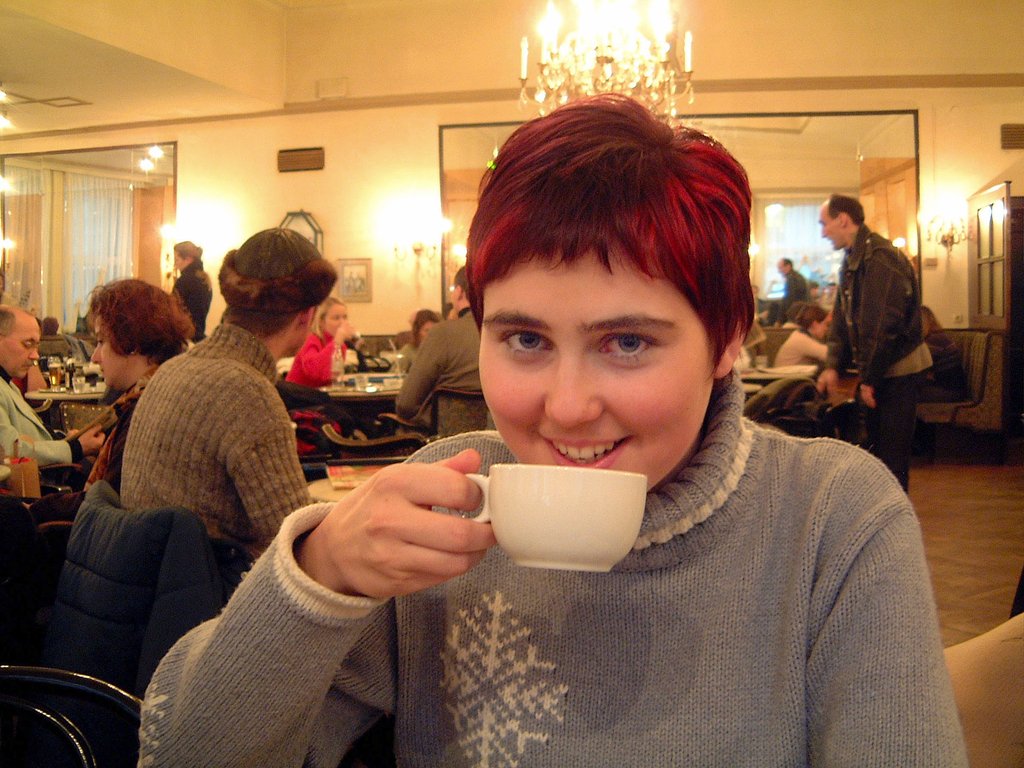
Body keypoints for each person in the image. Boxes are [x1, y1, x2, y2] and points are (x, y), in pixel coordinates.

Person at [139, 96, 965, 766]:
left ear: (726, 338)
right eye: (526, 340)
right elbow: (183, 751)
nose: (566, 407)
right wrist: (319, 575)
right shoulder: (446, 502)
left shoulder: (832, 518)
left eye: (627, 342)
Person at [122, 229, 336, 558]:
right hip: (208, 585)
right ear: (307, 315)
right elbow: (296, 542)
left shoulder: (173, 369)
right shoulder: (247, 393)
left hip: (146, 575)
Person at [29, 280, 193, 523]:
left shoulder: (144, 407)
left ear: (131, 343)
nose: (95, 357)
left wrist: (33, 510)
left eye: (101, 342)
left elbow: (105, 504)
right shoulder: (160, 391)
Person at [816, 193, 932, 491]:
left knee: (891, 459)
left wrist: (869, 380)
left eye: (824, 224)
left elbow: (881, 327)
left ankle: (894, 519)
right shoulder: (853, 257)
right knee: (877, 457)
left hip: (898, 372)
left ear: (843, 220)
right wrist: (832, 365)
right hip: (882, 371)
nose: (823, 233)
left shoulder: (880, 258)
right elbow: (843, 319)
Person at [0, 306, 104, 466]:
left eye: (36, 346)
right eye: (27, 344)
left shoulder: (8, 383)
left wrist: (63, 439)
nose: (35, 355)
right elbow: (7, 449)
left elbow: (31, 435)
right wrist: (74, 448)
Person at [393, 266, 480, 429]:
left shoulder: (442, 333)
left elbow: (406, 405)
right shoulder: (505, 333)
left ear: (459, 292)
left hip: (443, 441)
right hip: (501, 441)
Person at [285, 297, 356, 387]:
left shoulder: (339, 345)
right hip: (297, 394)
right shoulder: (310, 340)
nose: (342, 322)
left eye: (345, 317)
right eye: (336, 318)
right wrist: (337, 342)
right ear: (321, 322)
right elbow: (314, 372)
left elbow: (333, 375)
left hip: (317, 393)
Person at [919, 305, 968, 402]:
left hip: (950, 393)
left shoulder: (935, 339)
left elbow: (919, 365)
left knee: (902, 395)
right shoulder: (937, 337)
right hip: (948, 389)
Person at [172, 240, 213, 342]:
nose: (175, 264)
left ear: (188, 259)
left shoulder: (184, 281)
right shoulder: (204, 280)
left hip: (184, 337)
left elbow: (173, 312)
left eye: (177, 260)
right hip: (197, 337)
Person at [774, 302, 830, 367]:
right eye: (826, 324)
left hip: (791, 373)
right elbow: (831, 355)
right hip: (789, 374)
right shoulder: (802, 340)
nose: (827, 329)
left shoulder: (800, 335)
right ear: (815, 324)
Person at [395, 307, 441, 372]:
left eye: (434, 330)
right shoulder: (408, 350)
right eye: (427, 330)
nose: (431, 334)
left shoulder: (442, 350)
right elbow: (395, 374)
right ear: (417, 332)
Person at [776, 257, 809, 325]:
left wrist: (780, 320)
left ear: (788, 266)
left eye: (780, 268)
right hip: (802, 311)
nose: (779, 271)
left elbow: (789, 300)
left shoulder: (792, 278)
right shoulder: (797, 276)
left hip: (796, 314)